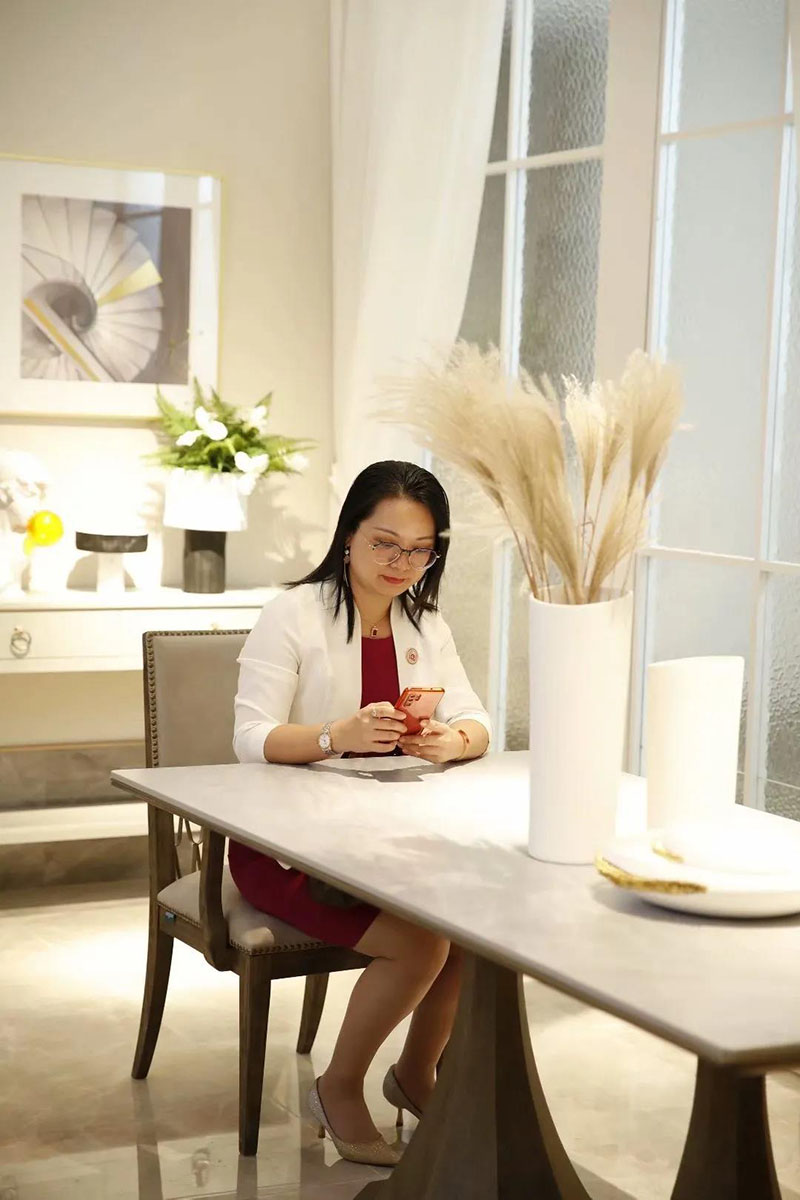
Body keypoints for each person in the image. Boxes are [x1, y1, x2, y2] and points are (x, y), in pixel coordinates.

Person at [231, 459, 491, 1166]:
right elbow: (250, 737)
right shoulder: (293, 614)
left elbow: (476, 719)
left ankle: (415, 1074)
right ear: (348, 534)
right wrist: (333, 737)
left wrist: (453, 740)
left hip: (391, 838)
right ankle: (338, 1086)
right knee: (423, 944)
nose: (401, 563)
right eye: (385, 544)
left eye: (420, 550)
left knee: (475, 933)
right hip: (288, 846)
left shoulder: (424, 622)